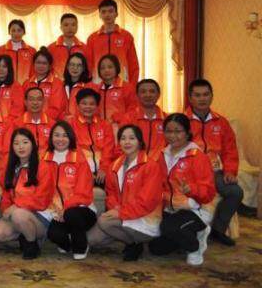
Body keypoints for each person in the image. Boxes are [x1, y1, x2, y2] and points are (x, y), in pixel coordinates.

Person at [87, 125, 163, 261]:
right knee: (91, 239)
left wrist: (120, 213)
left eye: (132, 138)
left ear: (140, 142)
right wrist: (116, 208)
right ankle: (131, 240)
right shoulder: (114, 166)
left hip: (145, 218)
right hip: (123, 215)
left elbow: (147, 201)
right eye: (123, 138)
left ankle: (134, 244)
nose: (127, 142)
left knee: (104, 222)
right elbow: (110, 194)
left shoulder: (151, 166)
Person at [148, 113, 216, 266]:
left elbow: (209, 192)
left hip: (195, 209)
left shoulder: (197, 156)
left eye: (178, 131)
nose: (173, 136)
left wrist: (192, 189)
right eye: (168, 131)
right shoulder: (162, 154)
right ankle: (185, 235)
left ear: (187, 132)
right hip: (171, 209)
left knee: (168, 227)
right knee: (156, 248)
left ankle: (195, 246)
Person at [185, 79, 242, 247]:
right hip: (189, 173)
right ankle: (188, 232)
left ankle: (217, 230)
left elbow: (230, 150)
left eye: (205, 94)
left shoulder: (221, 122)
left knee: (235, 192)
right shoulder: (181, 121)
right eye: (197, 95)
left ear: (212, 96)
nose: (202, 99)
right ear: (190, 98)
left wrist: (230, 171)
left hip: (214, 172)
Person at [0, 128, 54, 259]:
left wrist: (16, 206)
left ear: (33, 144)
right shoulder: (11, 167)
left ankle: (32, 244)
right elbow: (6, 195)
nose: (21, 147)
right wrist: (5, 210)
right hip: (17, 214)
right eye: (16, 143)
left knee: (18, 215)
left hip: (40, 216)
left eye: (25, 142)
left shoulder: (43, 167)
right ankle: (25, 236)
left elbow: (42, 200)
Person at [42, 121, 96, 260]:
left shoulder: (79, 158)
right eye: (57, 135)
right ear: (51, 137)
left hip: (80, 209)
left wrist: (65, 209)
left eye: (65, 135)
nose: (60, 139)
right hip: (56, 211)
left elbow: (83, 192)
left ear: (71, 137)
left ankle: (81, 246)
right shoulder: (43, 158)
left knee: (72, 215)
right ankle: (68, 244)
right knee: (54, 235)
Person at [67, 88, 115, 213]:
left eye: (92, 104)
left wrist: (104, 168)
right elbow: (73, 150)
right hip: (80, 170)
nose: (88, 107)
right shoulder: (70, 125)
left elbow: (108, 149)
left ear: (97, 106)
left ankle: (109, 214)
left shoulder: (105, 125)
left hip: (101, 172)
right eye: (84, 103)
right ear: (77, 105)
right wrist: (87, 173)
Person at [87, 0, 139, 84]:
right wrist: (90, 85)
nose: (107, 15)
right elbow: (89, 65)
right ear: (99, 15)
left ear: (116, 14)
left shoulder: (126, 36)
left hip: (122, 83)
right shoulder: (92, 38)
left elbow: (133, 64)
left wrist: (132, 86)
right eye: (103, 12)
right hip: (98, 84)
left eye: (110, 11)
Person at [118, 79, 167, 158]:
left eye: (152, 91)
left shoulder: (167, 119)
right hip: (135, 163)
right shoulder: (128, 118)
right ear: (137, 95)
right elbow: (121, 146)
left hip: (161, 163)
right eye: (143, 92)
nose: (148, 95)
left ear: (158, 95)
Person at [20, 47, 67, 120]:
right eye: (38, 62)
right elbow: (22, 106)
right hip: (28, 122)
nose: (41, 66)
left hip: (50, 122)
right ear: (33, 64)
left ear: (50, 66)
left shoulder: (57, 83)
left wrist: (39, 120)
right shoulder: (26, 83)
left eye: (44, 63)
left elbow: (56, 109)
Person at [0, 19, 36, 85]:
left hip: (27, 86)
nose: (16, 33)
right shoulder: (0, 50)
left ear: (24, 32)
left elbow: (33, 71)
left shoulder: (32, 51)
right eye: (13, 30)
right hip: (6, 86)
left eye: (19, 30)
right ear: (9, 32)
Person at [97, 54, 136, 125]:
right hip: (101, 129)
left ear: (116, 68)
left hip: (121, 128)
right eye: (102, 68)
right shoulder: (96, 89)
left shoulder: (127, 87)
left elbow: (133, 112)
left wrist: (118, 119)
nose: (106, 70)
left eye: (110, 67)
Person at [47, 13, 88, 79]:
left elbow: (87, 68)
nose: (70, 28)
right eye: (66, 25)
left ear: (77, 27)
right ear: (61, 27)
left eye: (73, 25)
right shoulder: (51, 48)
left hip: (79, 83)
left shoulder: (85, 48)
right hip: (57, 83)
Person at [16, 87, 54, 152]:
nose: (35, 103)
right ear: (25, 102)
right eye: (31, 99)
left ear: (44, 102)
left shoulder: (52, 125)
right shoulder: (16, 124)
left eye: (39, 99)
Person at [62, 53, 98, 118]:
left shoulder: (91, 87)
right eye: (72, 64)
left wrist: (74, 118)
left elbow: (93, 110)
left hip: (82, 122)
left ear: (83, 68)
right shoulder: (61, 85)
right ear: (67, 66)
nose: (75, 68)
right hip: (63, 122)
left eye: (79, 65)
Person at [0, 55, 23, 119]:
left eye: (4, 66)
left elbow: (17, 109)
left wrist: (7, 123)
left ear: (9, 69)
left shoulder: (16, 86)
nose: (1, 69)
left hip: (9, 123)